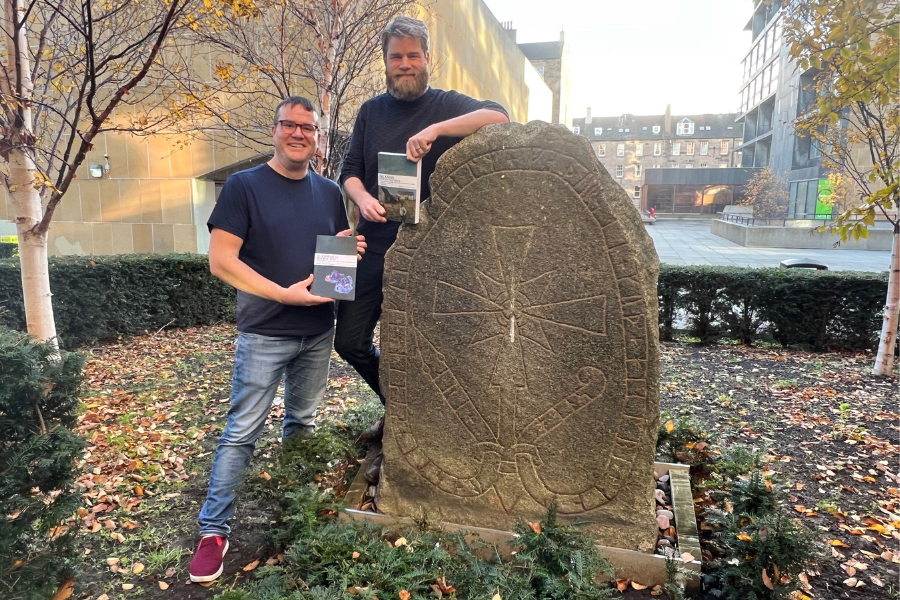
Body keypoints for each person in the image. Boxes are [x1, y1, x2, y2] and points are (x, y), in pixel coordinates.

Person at [189, 96, 366, 584]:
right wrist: (283, 295)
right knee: (242, 432)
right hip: (264, 333)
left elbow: (330, 263)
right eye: (289, 125)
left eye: (307, 127)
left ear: (317, 137)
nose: (298, 134)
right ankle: (213, 531)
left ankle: (293, 513)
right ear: (274, 130)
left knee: (301, 424)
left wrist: (351, 246)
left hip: (317, 332)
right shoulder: (244, 187)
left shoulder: (330, 192)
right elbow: (222, 261)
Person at [335, 16, 509, 482]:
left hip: (428, 254)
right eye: (397, 57)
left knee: (419, 349)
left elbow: (500, 116)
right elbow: (349, 170)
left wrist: (438, 131)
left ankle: (411, 439)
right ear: (386, 62)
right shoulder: (370, 112)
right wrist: (364, 197)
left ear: (428, 58)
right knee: (349, 341)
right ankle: (400, 411)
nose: (405, 64)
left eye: (414, 55)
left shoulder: (445, 103)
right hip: (371, 247)